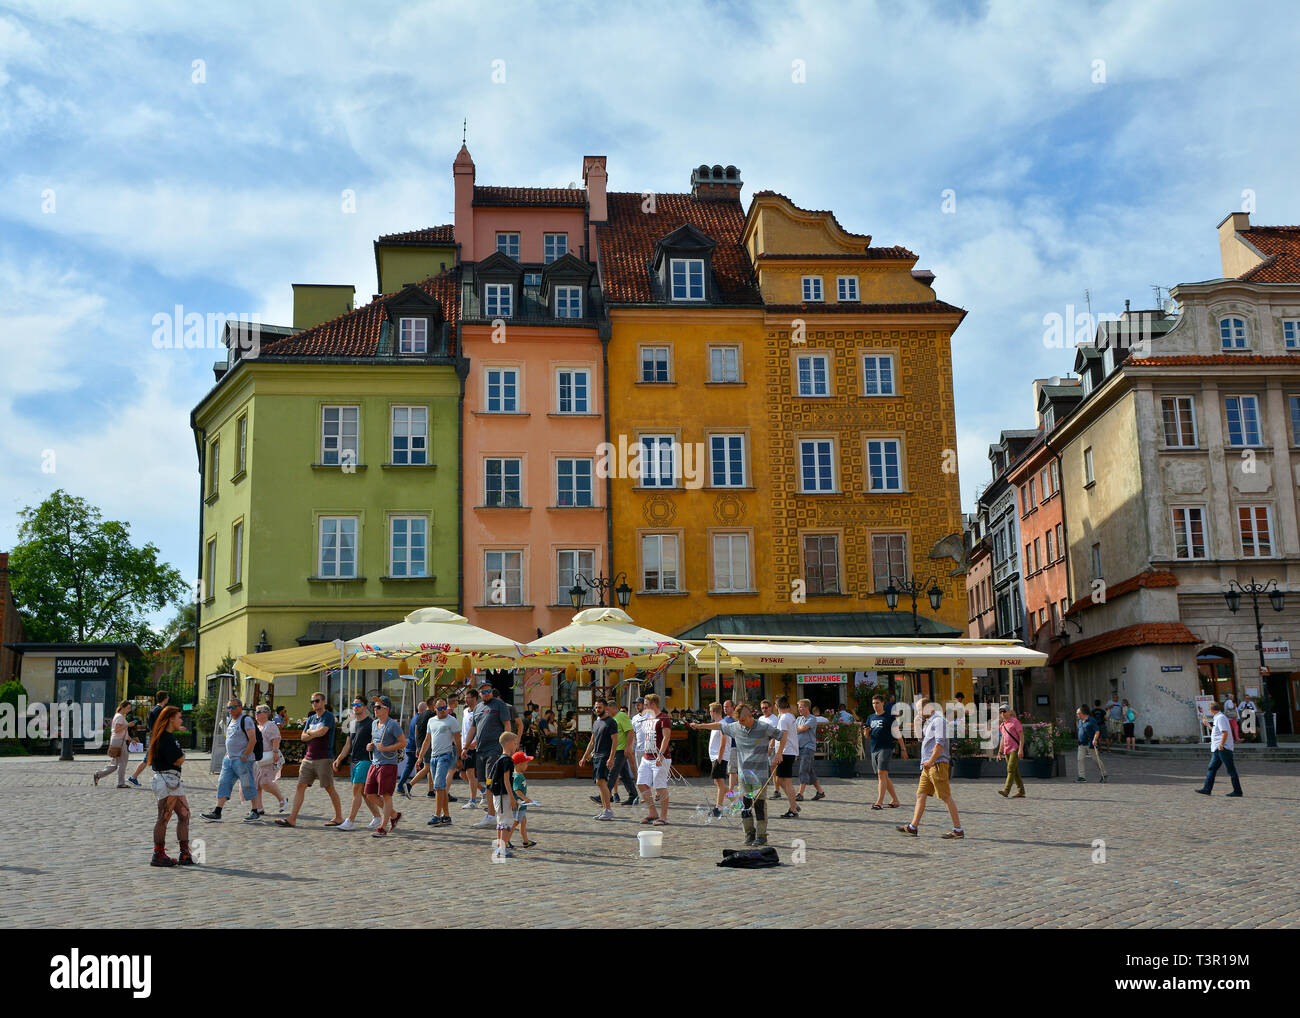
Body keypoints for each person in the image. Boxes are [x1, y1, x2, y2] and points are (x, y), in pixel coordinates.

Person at [691, 703, 780, 846]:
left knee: (759, 806)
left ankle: (762, 835)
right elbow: (719, 726)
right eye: (739, 721)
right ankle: (749, 833)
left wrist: (779, 753)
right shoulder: (737, 727)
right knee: (746, 805)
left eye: (743, 720)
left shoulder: (763, 727)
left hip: (760, 775)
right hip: (744, 775)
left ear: (750, 716)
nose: (741, 724)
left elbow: (781, 735)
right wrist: (700, 726)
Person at [896, 701, 963, 839]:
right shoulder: (929, 722)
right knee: (920, 795)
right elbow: (921, 739)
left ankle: (958, 830)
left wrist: (931, 762)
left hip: (936, 764)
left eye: (920, 709)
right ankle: (912, 827)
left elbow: (939, 744)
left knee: (945, 796)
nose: (918, 712)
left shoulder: (939, 721)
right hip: (927, 765)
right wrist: (917, 723)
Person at [276, 691, 343, 827]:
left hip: (324, 758)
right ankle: (292, 818)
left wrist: (310, 733)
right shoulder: (312, 719)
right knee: (300, 786)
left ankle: (339, 817)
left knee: (329, 787)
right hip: (308, 758)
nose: (314, 704)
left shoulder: (328, 717)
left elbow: (322, 732)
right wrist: (314, 734)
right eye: (312, 701)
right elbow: (302, 737)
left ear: (323, 702)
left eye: (317, 701)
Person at [201, 698, 263, 823]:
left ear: (240, 707)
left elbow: (253, 739)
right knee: (223, 783)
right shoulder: (230, 721)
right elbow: (230, 738)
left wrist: (245, 755)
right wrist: (227, 754)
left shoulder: (246, 720)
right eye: (229, 707)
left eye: (233, 707)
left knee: (248, 784)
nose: (230, 710)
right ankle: (217, 812)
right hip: (229, 760)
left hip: (242, 760)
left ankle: (255, 811)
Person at [147, 706, 195, 867]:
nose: (181, 720)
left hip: (173, 780)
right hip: (167, 780)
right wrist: (182, 756)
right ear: (170, 719)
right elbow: (177, 759)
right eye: (179, 717)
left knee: (184, 814)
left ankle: (185, 853)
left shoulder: (169, 736)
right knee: (164, 817)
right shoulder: (165, 738)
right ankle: (158, 854)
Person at [466, 682, 516, 830]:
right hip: (481, 750)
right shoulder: (478, 708)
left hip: (495, 749)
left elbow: (507, 725)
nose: (486, 693)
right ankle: (493, 814)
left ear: (492, 692)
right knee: (483, 781)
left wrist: (506, 745)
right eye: (483, 691)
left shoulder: (499, 705)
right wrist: (465, 746)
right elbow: (473, 728)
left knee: (490, 781)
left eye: (488, 691)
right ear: (479, 694)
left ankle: (492, 815)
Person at [333, 698, 381, 831]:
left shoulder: (371, 723)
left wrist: (372, 746)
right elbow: (348, 744)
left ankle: (350, 821)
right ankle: (380, 816)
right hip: (354, 761)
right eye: (353, 705)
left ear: (365, 707)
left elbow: (378, 740)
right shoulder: (353, 723)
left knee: (356, 790)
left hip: (366, 760)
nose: (355, 707)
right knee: (366, 793)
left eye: (358, 705)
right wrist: (339, 758)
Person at [365, 695, 406, 837]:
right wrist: (370, 746)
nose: (375, 709)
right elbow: (374, 740)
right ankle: (394, 814)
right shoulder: (374, 723)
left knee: (386, 795)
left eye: (378, 707)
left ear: (386, 709)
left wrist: (387, 748)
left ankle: (383, 827)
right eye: (374, 707)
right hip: (375, 763)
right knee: (370, 794)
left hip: (388, 764)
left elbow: (403, 742)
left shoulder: (393, 725)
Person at [418, 698, 461, 827]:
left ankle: (437, 815)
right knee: (441, 787)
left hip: (445, 755)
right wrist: (420, 757)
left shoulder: (451, 721)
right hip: (433, 757)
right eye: (440, 708)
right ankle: (446, 815)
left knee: (438, 786)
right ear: (435, 709)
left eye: (444, 708)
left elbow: (457, 740)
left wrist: (459, 757)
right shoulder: (431, 721)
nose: (442, 710)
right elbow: (427, 740)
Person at [636, 693, 673, 825]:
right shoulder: (648, 718)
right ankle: (652, 812)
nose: (643, 706)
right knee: (641, 783)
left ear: (653, 704)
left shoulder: (664, 718)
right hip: (647, 756)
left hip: (660, 757)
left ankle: (663, 817)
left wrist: (661, 754)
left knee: (660, 786)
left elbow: (666, 737)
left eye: (646, 704)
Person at [581, 698, 619, 820]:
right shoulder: (596, 723)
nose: (597, 709)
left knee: (601, 781)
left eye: (600, 707)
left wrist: (611, 758)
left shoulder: (611, 722)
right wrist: (584, 756)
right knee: (600, 783)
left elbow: (615, 741)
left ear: (606, 708)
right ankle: (605, 809)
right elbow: (592, 742)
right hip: (596, 756)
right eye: (596, 707)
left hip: (605, 756)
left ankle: (608, 809)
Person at [866, 694, 906, 809]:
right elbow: (867, 735)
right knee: (884, 776)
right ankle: (895, 800)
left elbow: (897, 733)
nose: (875, 705)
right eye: (873, 703)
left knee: (881, 774)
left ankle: (879, 802)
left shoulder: (889, 717)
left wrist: (903, 749)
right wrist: (866, 732)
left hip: (886, 748)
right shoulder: (870, 717)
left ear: (883, 703)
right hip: (874, 748)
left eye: (877, 703)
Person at [1196, 701, 1243, 797]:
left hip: (1223, 748)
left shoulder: (1220, 718)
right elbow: (1217, 732)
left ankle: (1238, 791)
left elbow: (1224, 732)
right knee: (1212, 768)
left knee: (1230, 769)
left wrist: (1221, 745)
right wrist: (1208, 725)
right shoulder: (1218, 718)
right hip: (1218, 748)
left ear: (1212, 710)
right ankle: (1207, 789)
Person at [487, 731, 521, 857]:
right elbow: (507, 780)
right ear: (508, 743)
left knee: (500, 822)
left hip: (498, 796)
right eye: (515, 743)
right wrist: (512, 798)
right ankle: (502, 849)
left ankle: (499, 847)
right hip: (504, 795)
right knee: (507, 822)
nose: (516, 746)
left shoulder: (500, 759)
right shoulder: (507, 760)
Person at [128, 690, 170, 786]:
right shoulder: (159, 711)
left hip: (155, 738)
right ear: (165, 698)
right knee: (148, 759)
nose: (168, 698)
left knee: (161, 758)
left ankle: (169, 777)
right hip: (158, 739)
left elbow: (150, 726)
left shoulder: (154, 710)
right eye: (167, 697)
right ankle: (133, 777)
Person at [254, 704, 288, 813]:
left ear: (266, 713)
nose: (256, 714)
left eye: (259, 712)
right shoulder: (258, 726)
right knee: (257, 784)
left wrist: (275, 751)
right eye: (256, 712)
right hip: (258, 759)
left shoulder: (270, 725)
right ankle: (259, 807)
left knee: (265, 782)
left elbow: (276, 738)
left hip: (268, 758)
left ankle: (282, 799)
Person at [397, 697, 433, 799]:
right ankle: (403, 786)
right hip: (416, 747)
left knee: (427, 768)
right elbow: (420, 735)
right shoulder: (421, 718)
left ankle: (430, 790)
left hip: (414, 746)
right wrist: (418, 748)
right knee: (424, 768)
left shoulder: (416, 718)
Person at [771, 697, 801, 818]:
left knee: (786, 781)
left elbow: (783, 737)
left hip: (786, 752)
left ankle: (793, 810)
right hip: (788, 751)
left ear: (777, 706)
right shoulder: (790, 716)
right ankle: (793, 802)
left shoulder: (784, 718)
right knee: (779, 780)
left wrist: (778, 753)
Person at [93, 700, 133, 789]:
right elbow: (117, 730)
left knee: (115, 764)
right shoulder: (119, 717)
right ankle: (121, 783)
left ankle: (98, 774)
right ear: (123, 707)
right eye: (128, 708)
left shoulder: (119, 716)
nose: (129, 710)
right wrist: (128, 725)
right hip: (119, 742)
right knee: (122, 762)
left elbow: (121, 732)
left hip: (117, 740)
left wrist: (130, 739)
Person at [794, 699, 827, 802]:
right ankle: (820, 792)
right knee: (810, 771)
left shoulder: (812, 718)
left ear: (807, 707)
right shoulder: (798, 718)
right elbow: (795, 729)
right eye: (798, 707)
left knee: (803, 769)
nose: (799, 709)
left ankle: (800, 793)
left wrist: (798, 728)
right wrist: (797, 728)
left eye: (801, 707)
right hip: (800, 747)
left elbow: (802, 729)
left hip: (808, 747)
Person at [609, 699, 639, 805]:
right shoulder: (613, 718)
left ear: (613, 708)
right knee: (625, 775)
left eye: (608, 709)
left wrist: (628, 747)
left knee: (613, 772)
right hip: (616, 749)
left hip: (621, 750)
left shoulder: (621, 716)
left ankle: (604, 794)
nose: (607, 712)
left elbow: (630, 731)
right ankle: (633, 795)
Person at [458, 687, 482, 807]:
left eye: (469, 698)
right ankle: (483, 791)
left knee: (470, 773)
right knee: (463, 774)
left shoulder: (479, 711)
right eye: (466, 698)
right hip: (465, 746)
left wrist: (476, 741)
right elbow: (464, 728)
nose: (467, 700)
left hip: (474, 747)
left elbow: (481, 728)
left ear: (475, 698)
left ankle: (473, 800)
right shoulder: (465, 711)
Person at [995, 705, 1025, 798]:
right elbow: (1003, 739)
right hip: (1006, 750)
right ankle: (1021, 791)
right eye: (1001, 712)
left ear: (1009, 712)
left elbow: (1021, 737)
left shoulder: (1015, 722)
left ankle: (1006, 790)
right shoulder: (1002, 725)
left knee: (1010, 769)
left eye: (1004, 711)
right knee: (1015, 771)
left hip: (1014, 749)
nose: (1002, 713)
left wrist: (1020, 749)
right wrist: (999, 752)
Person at [510, 750, 537, 848]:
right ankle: (507, 840)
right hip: (518, 804)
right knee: (515, 821)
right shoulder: (518, 777)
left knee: (523, 820)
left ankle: (525, 841)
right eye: (526, 763)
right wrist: (526, 799)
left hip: (520, 804)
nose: (527, 765)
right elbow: (517, 791)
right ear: (519, 764)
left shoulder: (518, 775)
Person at [1075, 705, 1108, 783]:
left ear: (1083, 713)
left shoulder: (1091, 720)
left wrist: (1095, 739)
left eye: (1078, 713)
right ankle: (1081, 777)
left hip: (1090, 743)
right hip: (1081, 744)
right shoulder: (1080, 721)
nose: (1077, 715)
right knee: (1080, 760)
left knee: (1095, 759)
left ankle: (1104, 774)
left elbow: (1097, 731)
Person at [721, 699, 740, 793]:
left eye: (727, 706)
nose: (725, 708)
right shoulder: (724, 719)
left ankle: (731, 791)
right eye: (724, 707)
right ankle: (745, 787)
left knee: (732, 770)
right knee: (731, 771)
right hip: (727, 748)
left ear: (733, 707)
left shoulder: (736, 718)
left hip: (734, 746)